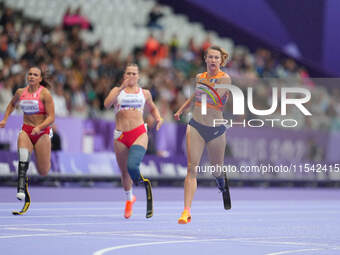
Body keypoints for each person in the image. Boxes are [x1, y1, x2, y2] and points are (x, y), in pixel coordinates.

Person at [174, 46, 231, 224]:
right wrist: (181, 109)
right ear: (205, 59)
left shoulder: (225, 78)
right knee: (192, 168)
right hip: (196, 126)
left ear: (221, 61)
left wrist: (204, 88)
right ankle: (186, 211)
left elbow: (214, 97)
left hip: (215, 129)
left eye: (217, 58)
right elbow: (195, 96)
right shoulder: (199, 77)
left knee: (216, 169)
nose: (213, 60)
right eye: (210, 57)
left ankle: (222, 184)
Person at [104, 63, 163, 219]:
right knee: (124, 173)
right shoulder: (117, 92)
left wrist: (158, 117)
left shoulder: (144, 93)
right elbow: (106, 104)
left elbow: (153, 107)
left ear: (138, 76)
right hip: (121, 135)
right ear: (124, 75)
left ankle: (144, 184)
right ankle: (129, 198)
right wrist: (121, 87)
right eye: (128, 73)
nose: (131, 76)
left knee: (132, 166)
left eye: (134, 74)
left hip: (139, 133)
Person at [0, 66, 55, 215]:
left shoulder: (45, 94)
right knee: (23, 156)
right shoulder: (20, 92)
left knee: (43, 171)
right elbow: (12, 104)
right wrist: (5, 119)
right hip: (27, 130)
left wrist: (40, 127)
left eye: (35, 75)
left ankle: (43, 162)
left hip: (42, 133)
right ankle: (20, 188)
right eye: (29, 74)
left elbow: (51, 117)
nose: (31, 76)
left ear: (40, 79)